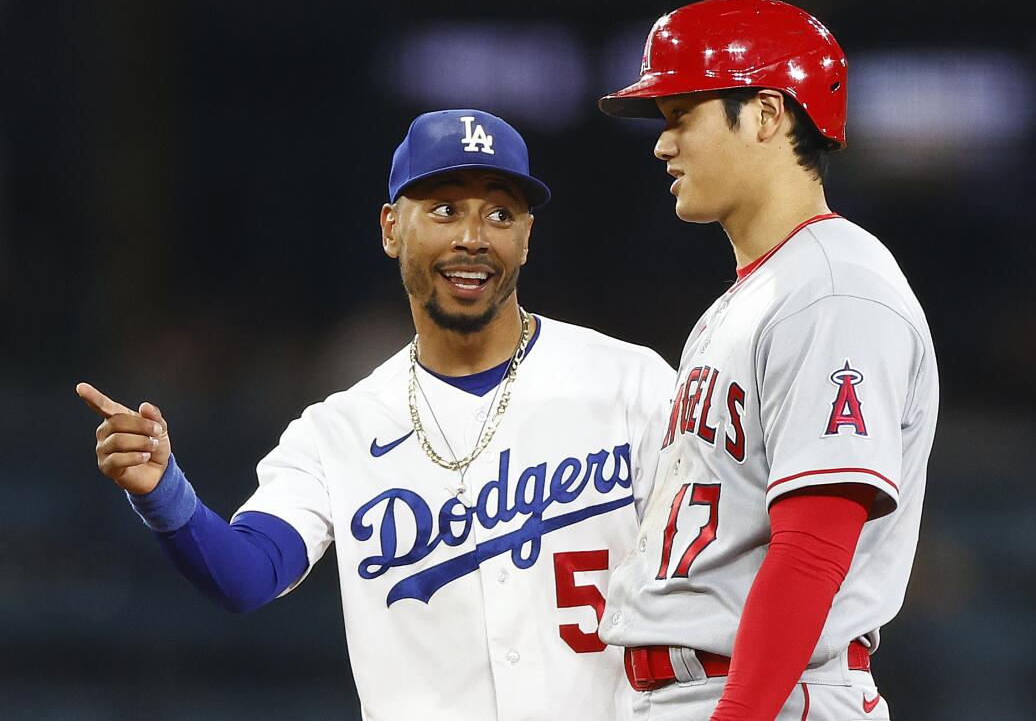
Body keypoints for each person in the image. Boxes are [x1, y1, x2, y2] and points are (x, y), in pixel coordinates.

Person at [77, 108, 675, 720]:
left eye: (500, 213)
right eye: (444, 209)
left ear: (527, 235)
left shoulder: (632, 384)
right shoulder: (337, 431)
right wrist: (164, 493)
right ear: (391, 228)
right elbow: (248, 575)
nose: (473, 236)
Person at [594, 0, 940, 720]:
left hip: (772, 697)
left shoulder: (836, 289)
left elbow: (813, 548)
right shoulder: (760, 294)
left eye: (682, 113)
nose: (662, 145)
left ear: (765, 114)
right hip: (700, 690)